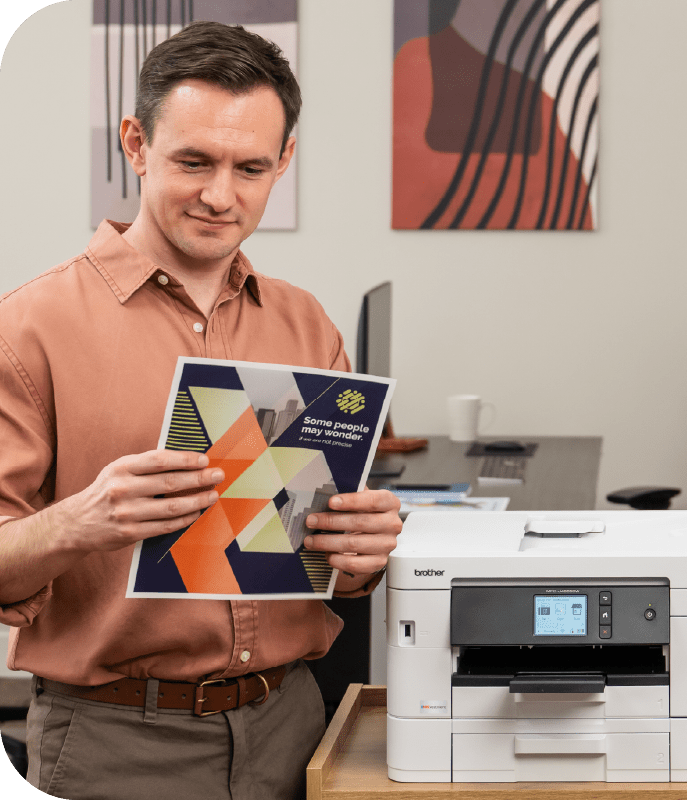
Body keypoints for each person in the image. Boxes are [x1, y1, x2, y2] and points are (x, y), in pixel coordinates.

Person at [0, 21, 401, 800]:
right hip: (114, 747)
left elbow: (331, 561)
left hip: (294, 730)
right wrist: (82, 520)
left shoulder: (305, 324)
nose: (222, 195)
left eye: (251, 166)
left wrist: (363, 555)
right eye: (194, 161)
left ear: (284, 161)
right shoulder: (28, 328)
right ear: (136, 143)